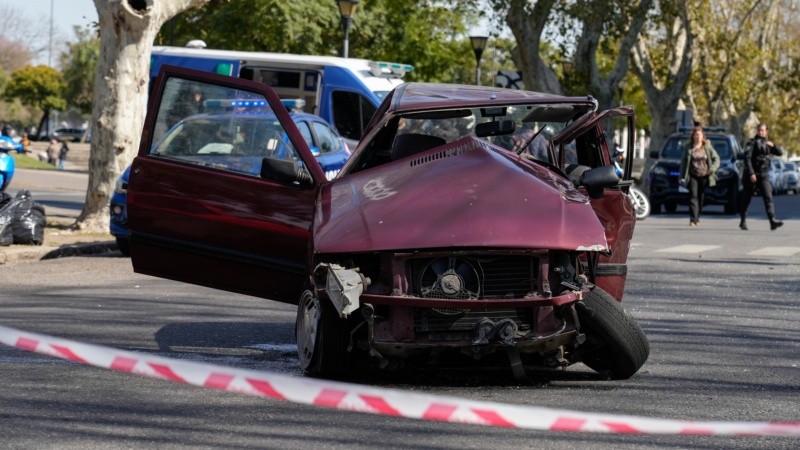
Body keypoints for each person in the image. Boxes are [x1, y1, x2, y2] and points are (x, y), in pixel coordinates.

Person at [740, 123, 783, 231]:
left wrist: (773, 146)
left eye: (763, 130)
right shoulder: (752, 143)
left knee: (768, 198)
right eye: (759, 130)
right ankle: (743, 220)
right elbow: (747, 158)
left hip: (763, 175)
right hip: (752, 175)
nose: (761, 132)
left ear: (766, 131)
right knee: (746, 199)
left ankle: (772, 221)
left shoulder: (767, 143)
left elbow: (780, 153)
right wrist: (751, 173)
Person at [679, 126, 720, 227]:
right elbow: (683, 162)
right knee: (693, 196)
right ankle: (693, 219)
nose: (698, 137)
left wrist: (711, 170)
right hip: (692, 175)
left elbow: (716, 159)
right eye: (696, 135)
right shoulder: (688, 147)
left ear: (702, 136)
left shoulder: (707, 147)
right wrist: (681, 176)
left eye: (699, 135)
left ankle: (697, 216)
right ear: (693, 136)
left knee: (701, 197)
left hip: (705, 175)